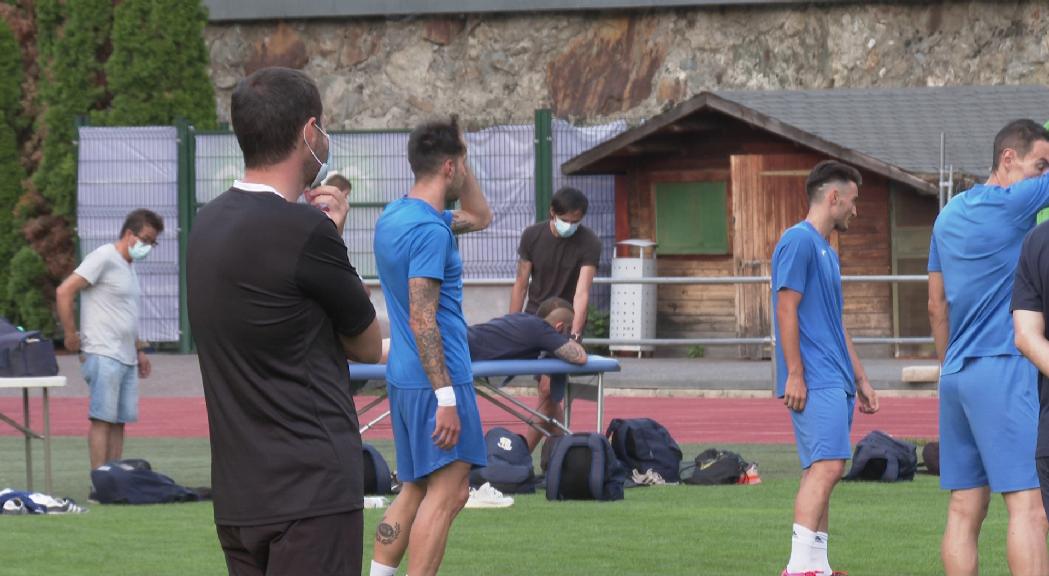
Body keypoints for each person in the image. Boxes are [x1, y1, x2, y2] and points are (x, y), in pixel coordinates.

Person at [187, 67, 382, 576]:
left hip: (239, 492)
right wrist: (334, 239)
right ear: (308, 132)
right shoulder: (306, 232)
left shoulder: (206, 223)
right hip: (310, 490)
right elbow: (366, 346)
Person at [370, 115, 491, 576]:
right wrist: (446, 397)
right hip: (437, 380)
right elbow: (424, 319)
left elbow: (481, 217)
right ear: (448, 166)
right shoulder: (431, 231)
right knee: (449, 493)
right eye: (461, 161)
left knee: (416, 487)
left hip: (404, 378)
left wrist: (460, 158)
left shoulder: (398, 215)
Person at [931, 119, 1049, 576]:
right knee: (1029, 507)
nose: (1043, 177)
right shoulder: (1017, 201)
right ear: (1008, 159)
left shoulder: (946, 216)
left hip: (956, 373)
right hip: (1003, 367)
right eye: (1040, 165)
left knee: (965, 509)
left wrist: (948, 365)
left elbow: (935, 305)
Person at [771, 160, 879, 576]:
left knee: (824, 468)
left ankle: (818, 566)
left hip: (836, 377)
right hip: (815, 377)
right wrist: (795, 373)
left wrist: (862, 378)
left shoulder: (827, 251)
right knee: (829, 467)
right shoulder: (797, 242)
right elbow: (786, 308)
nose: (856, 211)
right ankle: (798, 569)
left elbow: (836, 322)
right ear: (833, 197)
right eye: (853, 201)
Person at [56, 209, 162, 472]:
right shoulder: (104, 256)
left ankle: (114, 480)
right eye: (146, 239)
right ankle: (98, 482)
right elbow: (64, 291)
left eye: (153, 242)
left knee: (119, 421)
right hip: (103, 353)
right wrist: (70, 335)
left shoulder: (129, 267)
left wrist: (139, 351)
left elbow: (125, 314)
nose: (148, 247)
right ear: (129, 234)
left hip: (125, 355)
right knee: (102, 419)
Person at [509, 186, 601, 448]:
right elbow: (520, 283)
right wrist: (510, 322)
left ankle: (522, 453)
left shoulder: (589, 241)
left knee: (549, 392)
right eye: (565, 220)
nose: (570, 226)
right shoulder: (532, 236)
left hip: (563, 324)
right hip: (532, 319)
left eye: (576, 222)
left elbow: (582, 293)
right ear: (552, 212)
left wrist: (574, 336)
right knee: (549, 396)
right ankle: (557, 455)